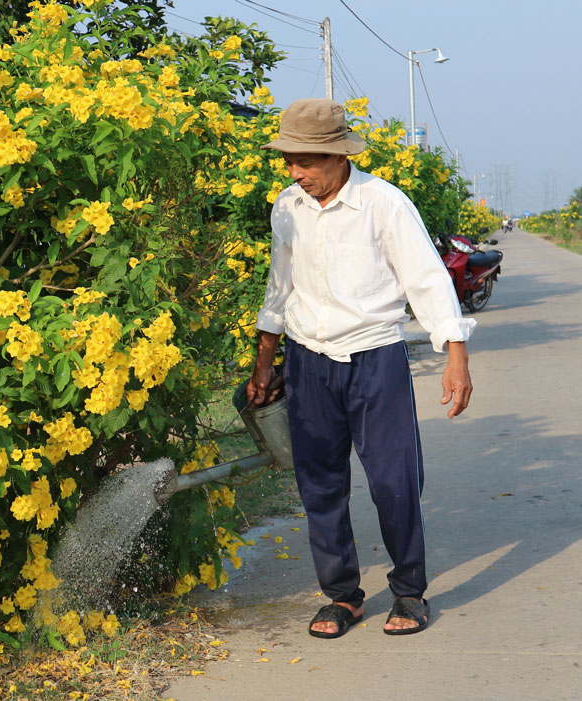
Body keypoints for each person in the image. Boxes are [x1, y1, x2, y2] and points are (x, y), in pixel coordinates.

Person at [246, 98, 474, 638]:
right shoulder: (288, 206)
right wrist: (264, 361)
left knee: (394, 481)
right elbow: (279, 288)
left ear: (338, 156)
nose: (296, 173)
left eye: (306, 161)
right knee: (319, 485)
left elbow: (427, 282)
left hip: (375, 358)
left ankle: (409, 591)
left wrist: (456, 358)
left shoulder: (383, 204)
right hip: (307, 362)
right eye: (289, 161)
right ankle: (342, 597)